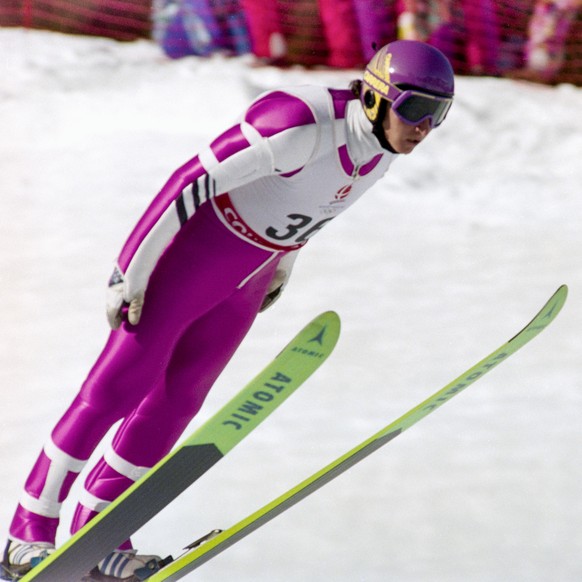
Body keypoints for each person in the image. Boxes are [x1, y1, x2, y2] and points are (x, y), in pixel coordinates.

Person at [2, 39, 454, 581]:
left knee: (177, 401)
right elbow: (190, 181)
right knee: (115, 390)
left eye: (438, 114)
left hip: (247, 275)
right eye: (416, 108)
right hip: (191, 258)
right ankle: (28, 530)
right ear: (379, 97)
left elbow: (310, 210)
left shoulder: (380, 154)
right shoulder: (300, 122)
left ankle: (99, 533)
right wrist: (131, 269)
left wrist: (284, 264)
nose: (425, 126)